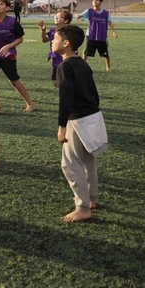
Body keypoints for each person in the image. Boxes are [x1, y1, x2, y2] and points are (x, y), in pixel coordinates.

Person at [53, 24, 107, 222]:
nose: (52, 41)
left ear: (66, 43)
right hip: (92, 117)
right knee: (87, 161)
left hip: (77, 120)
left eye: (55, 38)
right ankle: (91, 199)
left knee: (69, 164)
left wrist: (61, 127)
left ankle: (83, 208)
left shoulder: (64, 66)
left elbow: (65, 99)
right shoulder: (82, 63)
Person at [0, 0, 36, 113]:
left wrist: (8, 46)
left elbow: (20, 39)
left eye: (2, 4)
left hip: (8, 55)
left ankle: (30, 104)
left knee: (13, 80)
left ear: (7, 8)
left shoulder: (12, 22)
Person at [79, 0, 118, 72]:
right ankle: (82, 66)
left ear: (100, 3)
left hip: (101, 36)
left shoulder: (106, 13)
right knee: (86, 52)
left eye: (96, 0)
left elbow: (109, 22)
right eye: (93, 0)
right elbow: (81, 15)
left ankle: (108, 67)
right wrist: (78, 16)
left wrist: (114, 31)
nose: (94, 1)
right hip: (90, 35)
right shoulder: (89, 11)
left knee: (105, 53)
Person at [39, 9, 74, 88]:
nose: (56, 18)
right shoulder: (52, 30)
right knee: (55, 81)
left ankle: (69, 92)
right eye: (56, 16)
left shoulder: (69, 31)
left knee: (65, 79)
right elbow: (44, 40)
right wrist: (43, 31)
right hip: (55, 59)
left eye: (59, 17)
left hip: (66, 59)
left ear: (66, 20)